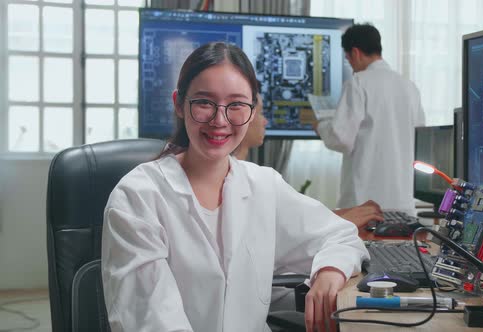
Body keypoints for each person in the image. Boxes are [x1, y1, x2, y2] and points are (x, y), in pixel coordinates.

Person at [101, 42, 369, 332]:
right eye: (204, 103)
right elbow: (153, 323)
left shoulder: (264, 186)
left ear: (252, 111)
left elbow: (342, 237)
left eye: (237, 105)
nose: (220, 120)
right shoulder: (137, 198)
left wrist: (329, 272)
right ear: (179, 103)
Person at [233, 83, 384, 229]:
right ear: (241, 120)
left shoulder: (257, 177)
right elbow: (283, 230)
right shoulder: (239, 180)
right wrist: (344, 219)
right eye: (260, 113)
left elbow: (297, 219)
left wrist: (349, 214)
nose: (265, 121)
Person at [314, 24, 426, 215]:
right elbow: (420, 137)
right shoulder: (409, 87)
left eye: (348, 59)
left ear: (355, 52)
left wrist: (321, 126)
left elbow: (340, 138)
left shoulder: (358, 83)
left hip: (364, 202)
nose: (350, 65)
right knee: (398, 247)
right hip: (402, 202)